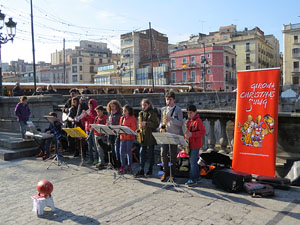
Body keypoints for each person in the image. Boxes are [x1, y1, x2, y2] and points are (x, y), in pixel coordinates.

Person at [160, 91, 183, 182]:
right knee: (163, 154)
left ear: (174, 100)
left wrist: (171, 119)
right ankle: (165, 172)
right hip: (165, 134)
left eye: (170, 99)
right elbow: (162, 121)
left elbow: (180, 123)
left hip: (174, 134)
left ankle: (172, 174)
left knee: (173, 155)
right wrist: (161, 127)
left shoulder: (178, 110)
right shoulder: (163, 109)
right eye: (167, 99)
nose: (168, 101)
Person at [135, 99, 159, 177]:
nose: (143, 107)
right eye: (142, 105)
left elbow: (156, 124)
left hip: (150, 136)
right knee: (141, 153)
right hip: (143, 136)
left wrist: (146, 123)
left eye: (145, 105)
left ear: (149, 105)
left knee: (150, 153)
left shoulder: (152, 113)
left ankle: (150, 169)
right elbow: (140, 124)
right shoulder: (141, 113)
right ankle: (141, 169)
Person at [184, 104, 206, 186]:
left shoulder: (198, 121)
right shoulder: (189, 121)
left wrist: (192, 134)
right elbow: (187, 132)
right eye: (188, 113)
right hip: (190, 144)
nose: (189, 115)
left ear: (195, 112)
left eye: (191, 113)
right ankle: (197, 177)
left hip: (196, 144)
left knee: (192, 162)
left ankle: (193, 179)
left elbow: (203, 132)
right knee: (193, 161)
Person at [119, 104, 137, 174]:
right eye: (123, 110)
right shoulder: (122, 118)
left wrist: (126, 129)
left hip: (129, 137)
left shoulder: (132, 118)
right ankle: (123, 166)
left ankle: (129, 165)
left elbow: (134, 128)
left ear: (128, 111)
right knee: (121, 152)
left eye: (125, 111)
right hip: (122, 137)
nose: (123, 112)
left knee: (128, 152)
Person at [81, 99, 98, 165]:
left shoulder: (96, 112)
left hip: (93, 130)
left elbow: (93, 121)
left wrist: (87, 116)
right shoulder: (88, 111)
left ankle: (96, 158)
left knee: (95, 145)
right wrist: (83, 115)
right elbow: (85, 120)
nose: (90, 107)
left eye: (91, 105)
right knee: (89, 145)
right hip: (87, 129)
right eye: (89, 105)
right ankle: (91, 158)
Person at [106, 100, 122, 168]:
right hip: (111, 132)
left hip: (117, 133)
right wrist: (107, 123)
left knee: (117, 149)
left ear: (117, 106)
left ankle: (119, 163)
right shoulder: (110, 113)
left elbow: (120, 123)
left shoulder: (119, 114)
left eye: (113, 106)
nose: (112, 108)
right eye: (111, 106)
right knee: (112, 148)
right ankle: (113, 163)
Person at [94, 105, 107, 170]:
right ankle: (100, 161)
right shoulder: (97, 117)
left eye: (98, 111)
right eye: (97, 112)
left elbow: (105, 127)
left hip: (101, 135)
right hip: (96, 134)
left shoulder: (104, 117)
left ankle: (102, 162)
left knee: (101, 149)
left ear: (102, 111)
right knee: (98, 149)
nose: (97, 113)